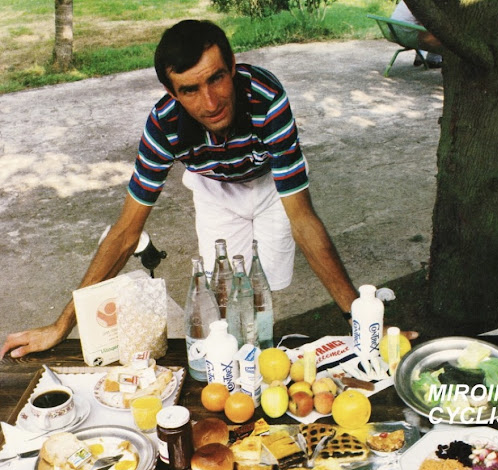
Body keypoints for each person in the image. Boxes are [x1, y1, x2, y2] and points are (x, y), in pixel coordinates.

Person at [1, 20, 417, 359]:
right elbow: (126, 232)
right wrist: (62, 326)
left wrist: (359, 321)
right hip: (214, 186)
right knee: (225, 288)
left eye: (216, 78)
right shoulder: (163, 124)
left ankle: (267, 349)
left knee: (268, 282)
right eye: (190, 90)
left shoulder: (266, 97)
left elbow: (303, 220)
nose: (211, 101)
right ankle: (235, 364)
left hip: (269, 182)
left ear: (232, 67)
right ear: (172, 92)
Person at [391, 1, 442, 68]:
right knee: (439, 31)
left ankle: (421, 56)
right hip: (407, 36)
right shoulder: (425, 4)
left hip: (394, 33)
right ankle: (433, 59)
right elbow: (426, 25)